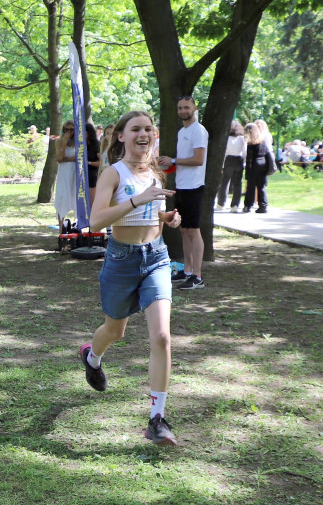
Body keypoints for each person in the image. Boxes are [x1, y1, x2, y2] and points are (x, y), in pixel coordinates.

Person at [79, 110, 182, 445]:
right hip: (121, 260)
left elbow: (152, 211)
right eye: (136, 129)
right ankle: (92, 357)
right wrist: (139, 200)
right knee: (115, 330)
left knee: (162, 337)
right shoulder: (113, 173)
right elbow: (95, 222)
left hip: (156, 258)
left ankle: (157, 419)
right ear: (121, 136)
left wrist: (167, 216)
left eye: (149, 129)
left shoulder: (155, 172)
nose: (144, 134)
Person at [158, 95, 207, 290]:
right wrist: (168, 164)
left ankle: (198, 276)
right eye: (180, 108)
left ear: (195, 107)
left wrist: (174, 161)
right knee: (183, 229)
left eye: (186, 107)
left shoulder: (199, 131)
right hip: (182, 186)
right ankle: (186, 271)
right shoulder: (182, 131)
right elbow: (181, 160)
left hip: (194, 187)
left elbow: (199, 159)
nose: (183, 111)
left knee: (193, 231)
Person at [215, 120, 246, 212]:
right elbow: (244, 152)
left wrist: (222, 165)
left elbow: (224, 153)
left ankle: (221, 203)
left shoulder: (227, 138)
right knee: (238, 183)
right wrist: (243, 163)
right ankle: (235, 205)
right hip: (239, 160)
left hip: (229, 160)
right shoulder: (242, 138)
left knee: (225, 182)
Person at [243, 122, 271, 213]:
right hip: (263, 165)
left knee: (251, 187)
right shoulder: (262, 140)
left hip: (254, 165)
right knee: (261, 186)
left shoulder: (251, 143)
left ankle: (248, 205)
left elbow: (249, 159)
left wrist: (247, 172)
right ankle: (263, 205)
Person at [53, 120, 77, 227]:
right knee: (62, 197)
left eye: (71, 129)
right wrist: (64, 143)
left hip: (75, 172)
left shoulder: (79, 141)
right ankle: (61, 226)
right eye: (66, 129)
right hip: (64, 173)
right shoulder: (59, 141)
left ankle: (77, 224)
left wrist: (67, 159)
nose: (69, 132)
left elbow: (79, 158)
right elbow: (59, 158)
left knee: (75, 196)